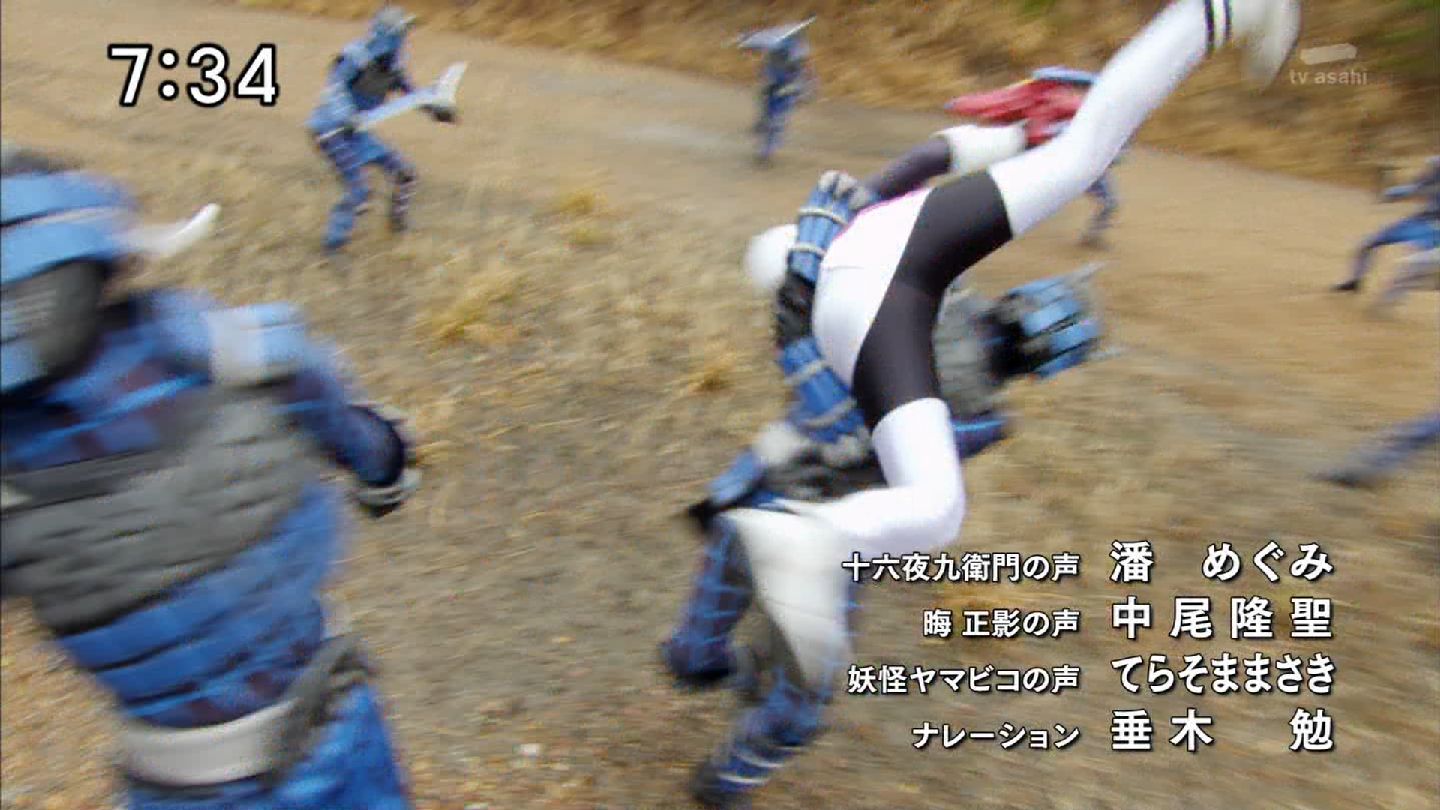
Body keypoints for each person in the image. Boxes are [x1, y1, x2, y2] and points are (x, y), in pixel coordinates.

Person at [665, 0, 1300, 805]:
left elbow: (917, 165)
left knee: (737, 563)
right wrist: (798, 321)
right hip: (828, 503)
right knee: (822, 660)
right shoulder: (966, 409)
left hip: (795, 419)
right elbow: (838, 419)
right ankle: (726, 769)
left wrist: (1001, 142)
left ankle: (697, 656)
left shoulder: (943, 288)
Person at [1, 142, 422, 809]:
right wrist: (385, 468)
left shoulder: (216, 347)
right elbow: (368, 445)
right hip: (329, 736)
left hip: (198, 778)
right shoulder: (223, 346)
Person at [308, 5, 457, 253]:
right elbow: (334, 88)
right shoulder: (356, 56)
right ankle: (333, 246)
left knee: (405, 175)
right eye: (399, 32)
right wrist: (346, 113)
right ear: (385, 32)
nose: (403, 38)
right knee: (358, 190)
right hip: (331, 130)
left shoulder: (393, 66)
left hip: (358, 133)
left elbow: (411, 94)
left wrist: (436, 110)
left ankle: (397, 228)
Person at [936, 66, 1122, 246]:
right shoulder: (1059, 99)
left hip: (1073, 160)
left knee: (1108, 203)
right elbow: (1035, 128)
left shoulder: (1074, 104)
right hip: (1051, 156)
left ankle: (1092, 236)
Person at [1333, 157, 1440, 297]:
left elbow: (1416, 188)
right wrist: (1392, 193)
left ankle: (1389, 297)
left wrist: (1391, 193)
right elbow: (1416, 187)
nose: (1429, 173)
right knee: (1368, 245)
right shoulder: (1431, 178)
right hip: (1417, 221)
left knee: (1413, 267)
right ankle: (1355, 281)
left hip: (1433, 228)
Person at [737, 19, 818, 165]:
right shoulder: (793, 44)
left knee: (774, 115)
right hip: (779, 84)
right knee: (775, 116)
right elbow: (806, 67)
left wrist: (747, 39)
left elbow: (805, 67)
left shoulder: (776, 41)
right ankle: (766, 147)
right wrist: (810, 85)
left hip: (779, 84)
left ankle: (766, 148)